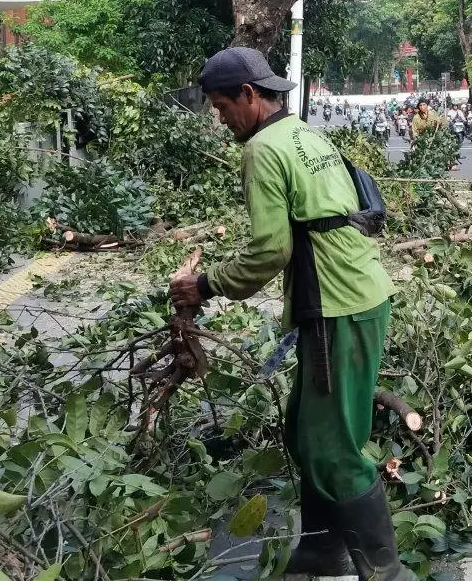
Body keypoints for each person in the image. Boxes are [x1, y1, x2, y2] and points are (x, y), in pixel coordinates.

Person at [170, 47, 407, 581]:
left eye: (221, 106)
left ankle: (386, 573)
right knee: (307, 429)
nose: (221, 117)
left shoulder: (262, 150)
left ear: (250, 97)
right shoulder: (305, 135)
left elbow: (269, 252)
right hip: (356, 296)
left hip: (336, 307)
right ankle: (324, 552)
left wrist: (204, 285)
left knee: (332, 449)